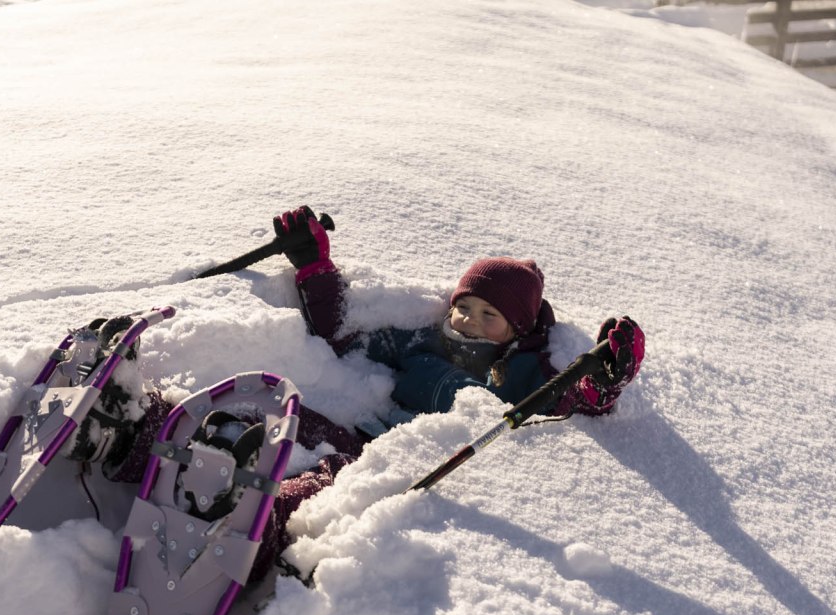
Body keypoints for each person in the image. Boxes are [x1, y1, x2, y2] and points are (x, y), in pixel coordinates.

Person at [94, 206, 645, 582]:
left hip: (403, 469)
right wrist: (314, 268)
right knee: (275, 421)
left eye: (489, 315)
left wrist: (607, 377)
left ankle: (244, 535)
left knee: (320, 489)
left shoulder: (517, 376)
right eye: (465, 306)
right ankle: (131, 427)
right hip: (359, 437)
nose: (469, 321)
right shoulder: (421, 344)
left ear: (518, 330)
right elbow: (343, 334)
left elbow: (568, 406)